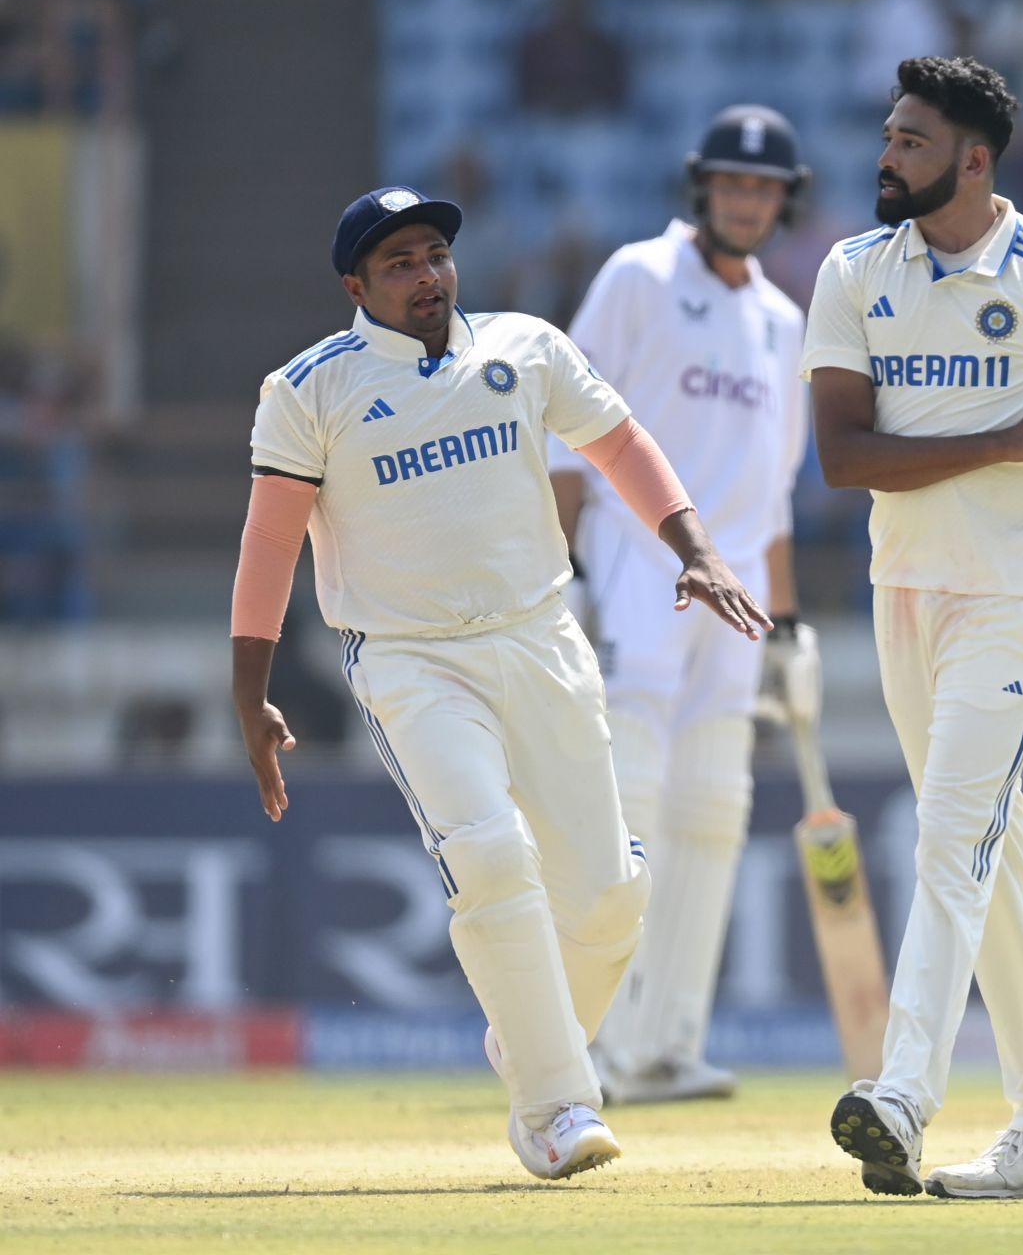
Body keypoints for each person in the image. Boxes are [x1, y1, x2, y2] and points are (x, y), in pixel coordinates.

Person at [229, 186, 770, 1179]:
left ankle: (530, 1038)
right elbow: (269, 545)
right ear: (356, 285)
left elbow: (621, 444)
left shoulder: (524, 347)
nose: (427, 275)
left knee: (611, 898)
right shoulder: (308, 389)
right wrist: (249, 690)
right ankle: (558, 1105)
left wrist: (695, 549)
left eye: (436, 253)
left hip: (541, 637)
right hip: (408, 657)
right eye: (400, 263)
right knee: (489, 855)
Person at [803, 56, 1023, 1199]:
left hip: (1016, 596)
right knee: (991, 864)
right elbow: (845, 459)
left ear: (973, 158)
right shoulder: (854, 270)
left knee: (949, 841)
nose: (887, 156)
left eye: (910, 141)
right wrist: (999, 438)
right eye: (890, 136)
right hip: (903, 590)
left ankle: (901, 1093)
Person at [548, 105, 813, 1104]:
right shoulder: (638, 277)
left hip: (738, 605)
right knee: (630, 805)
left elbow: (771, 491)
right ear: (703, 187)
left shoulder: (783, 322)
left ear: (785, 201)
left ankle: (667, 1044)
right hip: (632, 569)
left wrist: (788, 630)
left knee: (714, 810)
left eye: (766, 188)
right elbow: (564, 429)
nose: (747, 200)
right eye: (733, 183)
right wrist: (559, 567)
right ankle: (597, 1043)